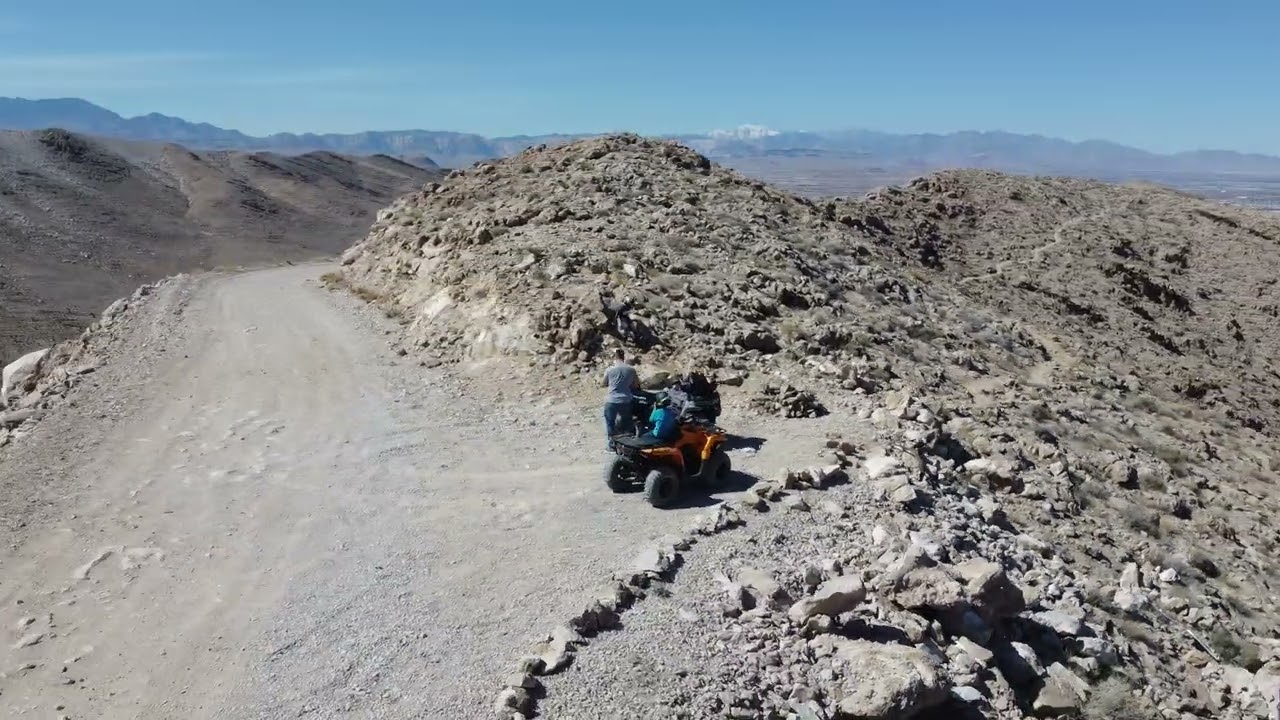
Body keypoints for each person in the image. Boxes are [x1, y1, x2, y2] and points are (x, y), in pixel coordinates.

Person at [602, 348, 639, 451]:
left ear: (615, 357)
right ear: (623, 357)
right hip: (626, 400)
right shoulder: (631, 369)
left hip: (612, 400)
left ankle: (612, 445)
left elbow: (603, 384)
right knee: (627, 423)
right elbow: (636, 385)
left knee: (610, 423)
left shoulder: (610, 370)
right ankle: (629, 445)